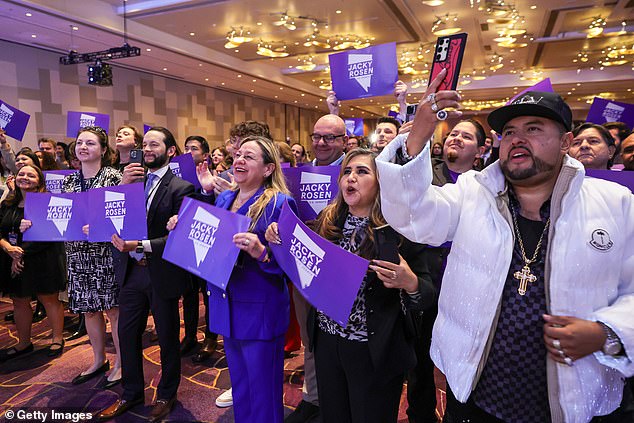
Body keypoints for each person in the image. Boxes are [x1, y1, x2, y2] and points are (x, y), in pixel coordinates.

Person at [376, 70, 634, 422]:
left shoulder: (616, 204)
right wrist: (418, 135)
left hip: (573, 400)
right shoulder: (473, 192)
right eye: (509, 132)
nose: (517, 139)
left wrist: (605, 332)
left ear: (566, 141)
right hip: (476, 395)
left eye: (534, 129)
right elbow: (412, 217)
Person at [267, 149, 434, 422]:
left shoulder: (401, 229)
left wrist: (410, 282)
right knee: (334, 416)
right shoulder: (327, 221)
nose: (351, 178)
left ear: (381, 182)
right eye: (347, 172)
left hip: (371, 348)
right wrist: (277, 235)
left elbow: (427, 296)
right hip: (327, 342)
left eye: (362, 172)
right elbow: (302, 261)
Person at [184, 135, 296, 423]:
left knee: (263, 392)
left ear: (269, 168)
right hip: (225, 303)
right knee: (241, 386)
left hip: (260, 308)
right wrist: (182, 225)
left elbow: (293, 266)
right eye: (238, 155)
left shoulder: (281, 203)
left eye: (249, 156)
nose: (239, 160)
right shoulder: (224, 197)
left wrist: (262, 253)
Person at [97, 127, 194, 422]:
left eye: (155, 144)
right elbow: (107, 216)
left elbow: (180, 238)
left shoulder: (182, 188)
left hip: (160, 271)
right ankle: (131, 393)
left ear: (171, 151)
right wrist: (124, 186)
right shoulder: (129, 183)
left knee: (166, 337)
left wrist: (139, 244)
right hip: (130, 273)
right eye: (145, 144)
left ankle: (166, 394)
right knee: (126, 336)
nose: (148, 149)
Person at [21, 126, 123, 387]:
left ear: (103, 149)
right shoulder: (68, 181)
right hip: (77, 253)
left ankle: (122, 363)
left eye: (90, 143)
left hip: (106, 253)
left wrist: (100, 226)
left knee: (113, 311)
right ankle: (99, 359)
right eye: (80, 143)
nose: (83, 147)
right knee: (89, 311)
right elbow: (60, 217)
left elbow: (124, 216)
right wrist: (32, 224)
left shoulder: (114, 176)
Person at [0, 165, 66, 360]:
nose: (25, 177)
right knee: (19, 301)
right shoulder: (8, 204)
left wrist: (19, 255)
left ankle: (57, 338)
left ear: (40, 180)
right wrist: (8, 248)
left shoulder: (48, 202)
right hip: (12, 257)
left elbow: (50, 234)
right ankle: (24, 343)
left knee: (49, 299)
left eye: (31, 175)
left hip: (43, 258)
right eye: (21, 174)